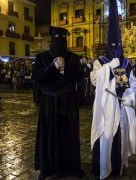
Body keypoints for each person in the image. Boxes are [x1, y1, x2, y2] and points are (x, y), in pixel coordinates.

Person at [90, 0, 136, 179]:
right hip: (106, 107)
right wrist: (110, 67)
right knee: (106, 134)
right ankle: (102, 167)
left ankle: (117, 166)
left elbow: (131, 84)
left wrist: (128, 97)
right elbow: (95, 80)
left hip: (121, 107)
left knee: (119, 136)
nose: (116, 49)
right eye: (113, 46)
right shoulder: (100, 62)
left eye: (119, 46)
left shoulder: (126, 63)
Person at [33, 26, 85, 180]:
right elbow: (37, 77)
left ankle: (72, 167)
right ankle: (46, 168)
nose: (59, 41)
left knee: (69, 135)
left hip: (68, 103)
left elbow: (79, 76)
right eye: (56, 38)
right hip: (50, 103)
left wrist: (64, 70)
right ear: (52, 39)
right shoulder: (41, 58)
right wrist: (53, 67)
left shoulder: (73, 58)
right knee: (48, 135)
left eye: (63, 38)